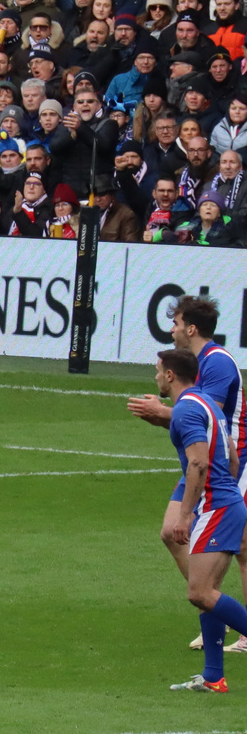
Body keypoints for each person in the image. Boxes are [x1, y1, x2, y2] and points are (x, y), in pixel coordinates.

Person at [125, 295, 247, 652]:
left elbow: (210, 423)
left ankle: (232, 625)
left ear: (191, 328)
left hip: (227, 462)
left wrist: (161, 412)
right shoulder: (198, 363)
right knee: (170, 532)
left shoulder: (218, 362)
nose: (172, 330)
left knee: (241, 547)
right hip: (206, 459)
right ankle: (212, 605)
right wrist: (163, 414)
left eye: (176, 324)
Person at [153, 348, 247, 693]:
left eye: (158, 371)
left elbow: (198, 464)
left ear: (171, 376)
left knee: (200, 591)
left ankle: (214, 675)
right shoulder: (207, 403)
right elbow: (233, 456)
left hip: (216, 507)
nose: (157, 377)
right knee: (205, 591)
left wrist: (187, 513)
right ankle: (213, 678)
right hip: (225, 502)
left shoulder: (187, 410)